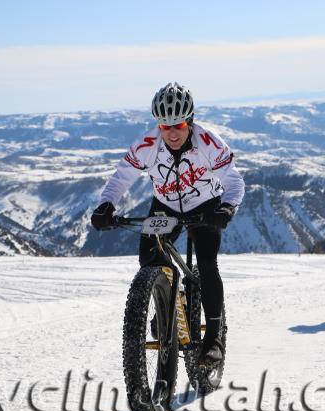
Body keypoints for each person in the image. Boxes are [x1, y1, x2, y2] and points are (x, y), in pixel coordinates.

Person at [90, 82, 245, 364]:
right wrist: (106, 205)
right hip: (166, 205)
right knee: (149, 258)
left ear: (191, 121)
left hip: (207, 205)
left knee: (207, 263)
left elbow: (234, 182)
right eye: (165, 126)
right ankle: (164, 298)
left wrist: (226, 209)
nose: (172, 132)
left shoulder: (209, 142)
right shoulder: (147, 145)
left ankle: (213, 337)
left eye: (179, 124)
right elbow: (121, 177)